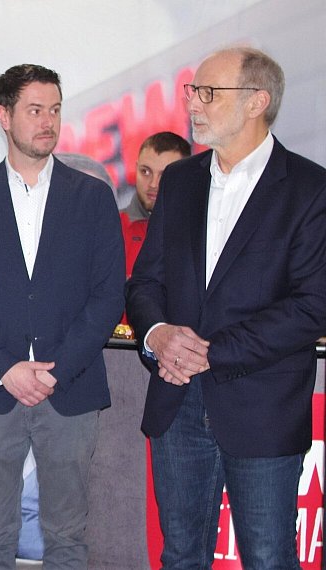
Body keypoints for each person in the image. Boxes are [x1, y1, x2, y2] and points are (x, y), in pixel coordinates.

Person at [126, 47, 326, 568]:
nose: (193, 103)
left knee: (268, 558)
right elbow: (145, 282)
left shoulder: (310, 189)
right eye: (192, 91)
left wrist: (212, 352)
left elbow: (313, 305)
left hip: (262, 408)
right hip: (177, 402)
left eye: (209, 93)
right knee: (180, 556)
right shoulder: (180, 180)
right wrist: (158, 335)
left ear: (257, 101)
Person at [0, 63, 124, 569]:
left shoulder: (92, 197)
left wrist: (54, 371)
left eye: (55, 110)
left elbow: (108, 297)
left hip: (71, 388)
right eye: (35, 110)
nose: (48, 122)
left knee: (67, 535)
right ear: (4, 116)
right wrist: (7, 369)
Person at [120, 132, 190, 279]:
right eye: (145, 172)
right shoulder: (111, 226)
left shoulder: (204, 230)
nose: (153, 184)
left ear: (186, 177)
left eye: (165, 175)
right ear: (135, 169)